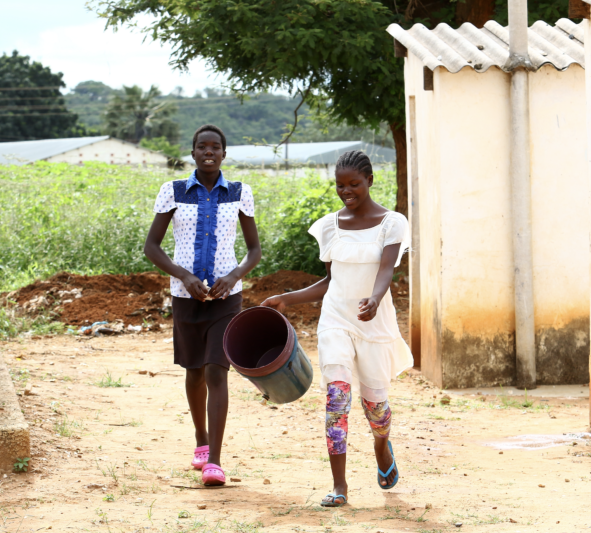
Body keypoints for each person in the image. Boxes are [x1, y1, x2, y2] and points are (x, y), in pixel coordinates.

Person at [261, 150, 412, 506]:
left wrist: (374, 300)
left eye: (354, 184)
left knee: (376, 407)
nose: (346, 191)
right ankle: (340, 486)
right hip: (335, 321)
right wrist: (287, 297)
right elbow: (329, 281)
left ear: (370, 181)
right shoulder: (331, 225)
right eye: (340, 185)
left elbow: (387, 270)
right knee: (337, 399)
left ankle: (381, 446)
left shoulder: (393, 223)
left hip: (373, 323)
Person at [144, 124, 261, 486]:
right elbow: (152, 246)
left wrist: (234, 275)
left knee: (216, 370)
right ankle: (200, 438)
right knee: (194, 371)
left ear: (224, 154)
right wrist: (184, 276)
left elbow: (254, 250)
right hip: (185, 297)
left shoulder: (240, 193)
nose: (208, 152)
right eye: (201, 147)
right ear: (192, 153)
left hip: (227, 299)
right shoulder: (173, 191)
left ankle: (215, 460)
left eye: (215, 147)